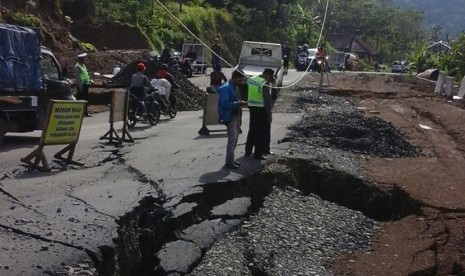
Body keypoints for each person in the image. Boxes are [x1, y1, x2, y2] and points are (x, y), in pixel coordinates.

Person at [217, 69, 247, 170]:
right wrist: (238, 103)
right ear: (235, 78)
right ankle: (229, 162)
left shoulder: (235, 87)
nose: (241, 82)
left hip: (236, 114)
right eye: (240, 80)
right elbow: (224, 104)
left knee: (235, 139)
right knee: (232, 139)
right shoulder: (226, 88)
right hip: (230, 116)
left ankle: (231, 159)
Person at [244, 68, 274, 160]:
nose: (270, 79)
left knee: (252, 130)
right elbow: (267, 101)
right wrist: (269, 115)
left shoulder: (252, 79)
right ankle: (258, 153)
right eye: (270, 77)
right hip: (261, 109)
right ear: (267, 75)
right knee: (261, 132)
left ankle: (248, 151)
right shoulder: (264, 83)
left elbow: (244, 89)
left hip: (252, 107)